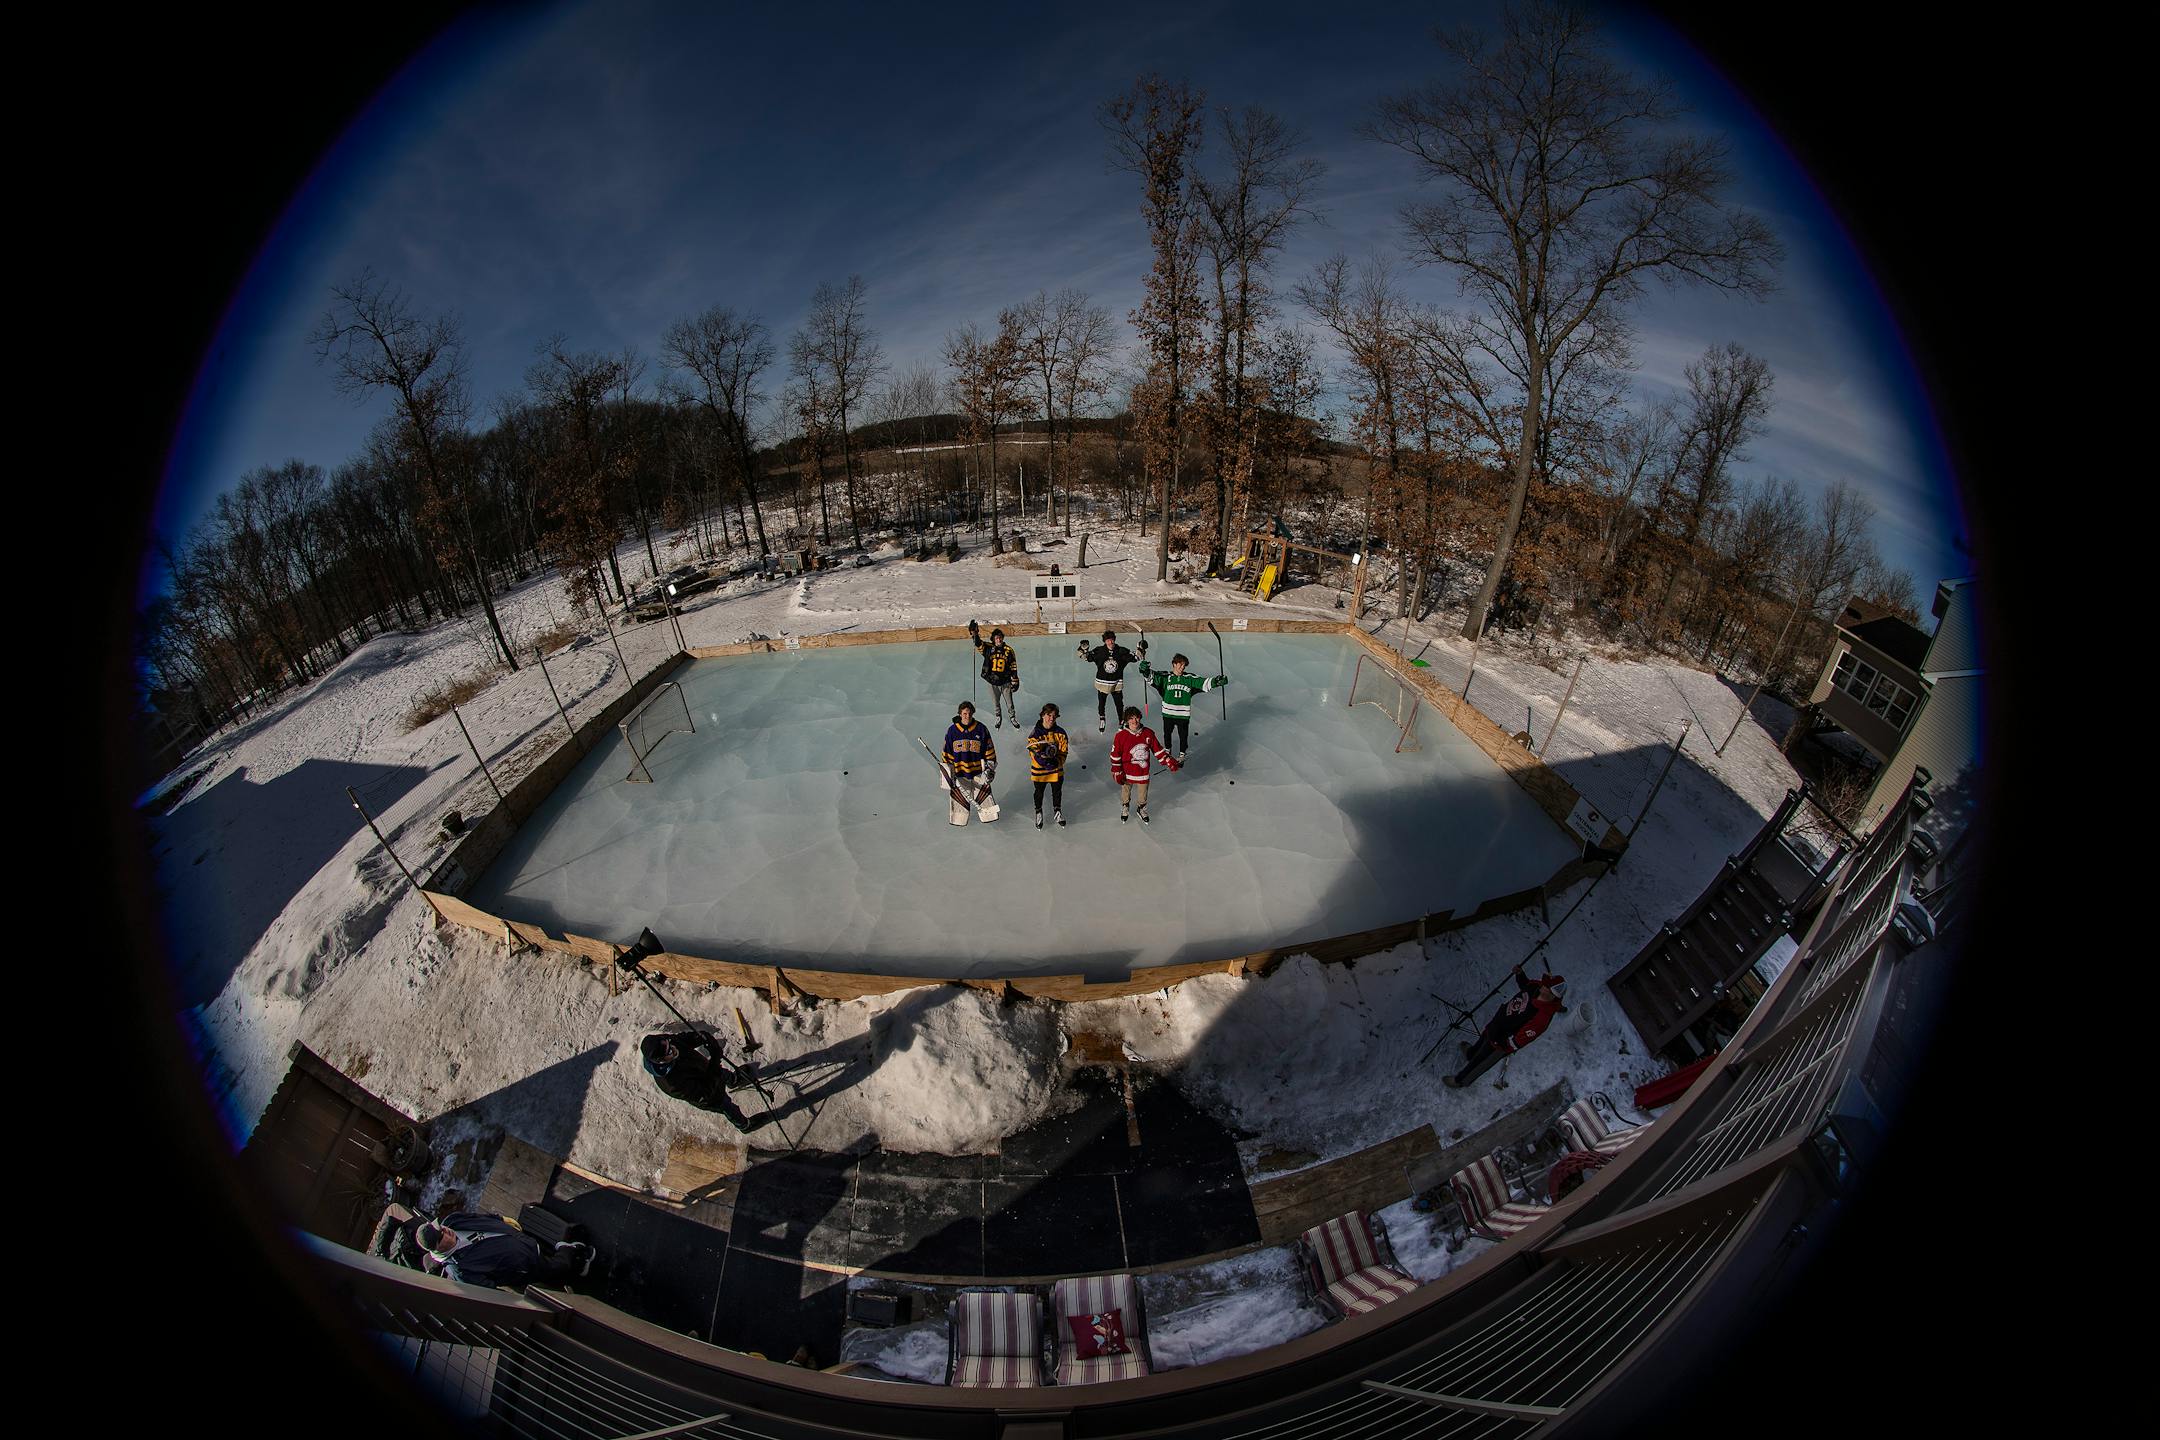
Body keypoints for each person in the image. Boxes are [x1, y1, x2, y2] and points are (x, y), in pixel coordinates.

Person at [1446, 964, 1566, 1087]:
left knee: (1481, 1062)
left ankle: (1460, 1081)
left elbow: (1521, 1039)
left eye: (1546, 985)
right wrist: (1520, 975)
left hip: (1500, 1043)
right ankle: (1471, 1053)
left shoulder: (1542, 1017)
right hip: (1497, 1023)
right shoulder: (1537, 986)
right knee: (1483, 1038)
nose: (1542, 983)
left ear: (1551, 994)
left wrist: (1504, 1044)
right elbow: (1526, 985)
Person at [413, 1212, 594, 1290]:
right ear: (436, 1249)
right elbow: (489, 1288)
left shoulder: (452, 1220)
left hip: (521, 1240)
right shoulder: (460, 1270)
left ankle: (573, 1260)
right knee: (558, 1267)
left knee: (542, 1249)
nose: (445, 1230)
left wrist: (500, 1219)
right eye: (441, 1235)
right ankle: (569, 1250)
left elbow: (478, 1217)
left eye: (440, 1227)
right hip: (526, 1265)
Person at [641, 1031, 768, 1129]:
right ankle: (744, 1125)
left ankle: (733, 1080)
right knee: (726, 1105)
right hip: (708, 1094)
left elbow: (682, 1039)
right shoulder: (672, 1084)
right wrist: (715, 1061)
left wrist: (701, 1037)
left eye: (668, 1044)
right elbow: (706, 1091)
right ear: (661, 1061)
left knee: (722, 1073)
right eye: (669, 1052)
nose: (673, 1048)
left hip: (704, 1068)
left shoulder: (663, 1042)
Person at [1137, 653, 1228, 761]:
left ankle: (1182, 754)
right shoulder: (1166, 677)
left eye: (1184, 666)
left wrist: (1216, 681)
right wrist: (1145, 670)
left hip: (1183, 715)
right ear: (1174, 664)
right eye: (1180, 665)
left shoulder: (1189, 679)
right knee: (1167, 734)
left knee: (1183, 736)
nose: (1182, 668)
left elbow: (1203, 682)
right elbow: (1152, 676)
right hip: (1168, 713)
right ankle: (1167, 750)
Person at [1108, 705, 1178, 823]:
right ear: (1126, 720)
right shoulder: (1120, 736)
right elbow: (1115, 754)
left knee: (1143, 794)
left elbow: (1157, 749)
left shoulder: (1148, 733)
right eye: (1131, 718)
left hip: (1142, 772)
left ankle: (1141, 809)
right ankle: (1125, 806)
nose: (1134, 721)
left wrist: (1168, 760)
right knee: (1126, 791)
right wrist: (1116, 770)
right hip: (1126, 771)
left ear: (1140, 718)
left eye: (1136, 718)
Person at [1077, 629, 1145, 731]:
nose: (1110, 642)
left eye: (1112, 640)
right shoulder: (1099, 650)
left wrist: (1141, 648)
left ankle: (1121, 721)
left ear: (1114, 640)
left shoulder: (1121, 651)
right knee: (1101, 703)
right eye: (1108, 640)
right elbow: (1086, 657)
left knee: (1119, 704)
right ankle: (1102, 718)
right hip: (1102, 683)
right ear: (1105, 641)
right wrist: (1083, 649)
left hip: (1116, 683)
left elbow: (1135, 657)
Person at [1025, 702, 1069, 829]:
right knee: (1039, 792)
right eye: (1049, 715)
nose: (1051, 718)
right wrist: (1044, 762)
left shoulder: (1061, 733)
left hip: (1056, 770)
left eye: (1054, 716)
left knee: (1057, 792)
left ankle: (1057, 812)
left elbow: (1064, 752)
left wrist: (1056, 762)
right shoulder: (1035, 734)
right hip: (1039, 772)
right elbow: (1033, 752)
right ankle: (1038, 812)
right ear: (1042, 715)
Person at [943, 700, 996, 803]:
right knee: (960, 812)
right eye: (965, 713)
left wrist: (990, 769)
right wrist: (948, 771)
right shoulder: (952, 731)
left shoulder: (981, 729)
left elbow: (989, 750)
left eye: (970, 713)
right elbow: (947, 753)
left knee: (987, 806)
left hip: (978, 774)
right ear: (960, 714)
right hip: (959, 775)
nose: (967, 716)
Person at [970, 621, 1021, 727]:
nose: (999, 640)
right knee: (995, 702)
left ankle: (1012, 717)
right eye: (996, 638)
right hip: (992, 682)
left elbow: (1013, 666)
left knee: (1010, 702)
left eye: (1000, 637)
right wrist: (974, 634)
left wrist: (1015, 680)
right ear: (993, 639)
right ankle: (998, 716)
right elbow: (978, 643)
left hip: (1005, 682)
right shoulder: (988, 648)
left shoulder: (1008, 650)